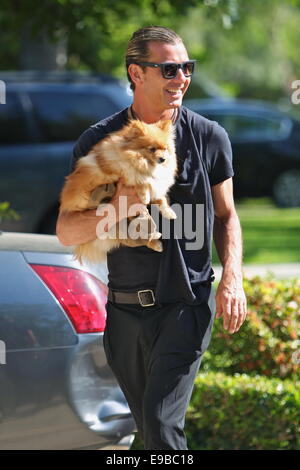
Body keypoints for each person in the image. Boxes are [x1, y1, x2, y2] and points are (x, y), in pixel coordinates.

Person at [56, 26, 247, 450]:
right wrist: (115, 209)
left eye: (186, 68)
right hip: (124, 313)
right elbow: (67, 230)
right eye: (169, 69)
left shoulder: (209, 137)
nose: (181, 78)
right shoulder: (99, 140)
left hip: (186, 305)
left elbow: (226, 215)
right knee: (150, 433)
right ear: (136, 73)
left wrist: (232, 279)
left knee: (161, 428)